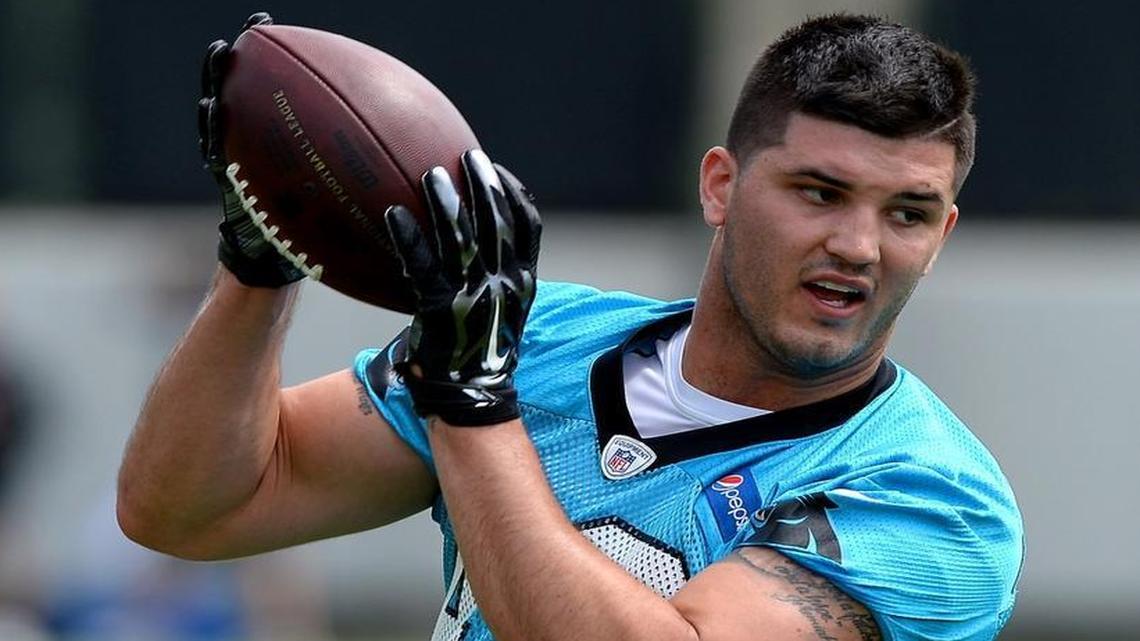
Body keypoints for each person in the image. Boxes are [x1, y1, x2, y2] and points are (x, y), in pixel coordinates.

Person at [118, 11, 1024, 641]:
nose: (858, 245)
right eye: (819, 192)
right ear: (720, 185)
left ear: (941, 234)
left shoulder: (933, 496)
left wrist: (472, 404)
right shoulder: (542, 340)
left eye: (907, 212)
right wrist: (263, 259)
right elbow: (189, 506)